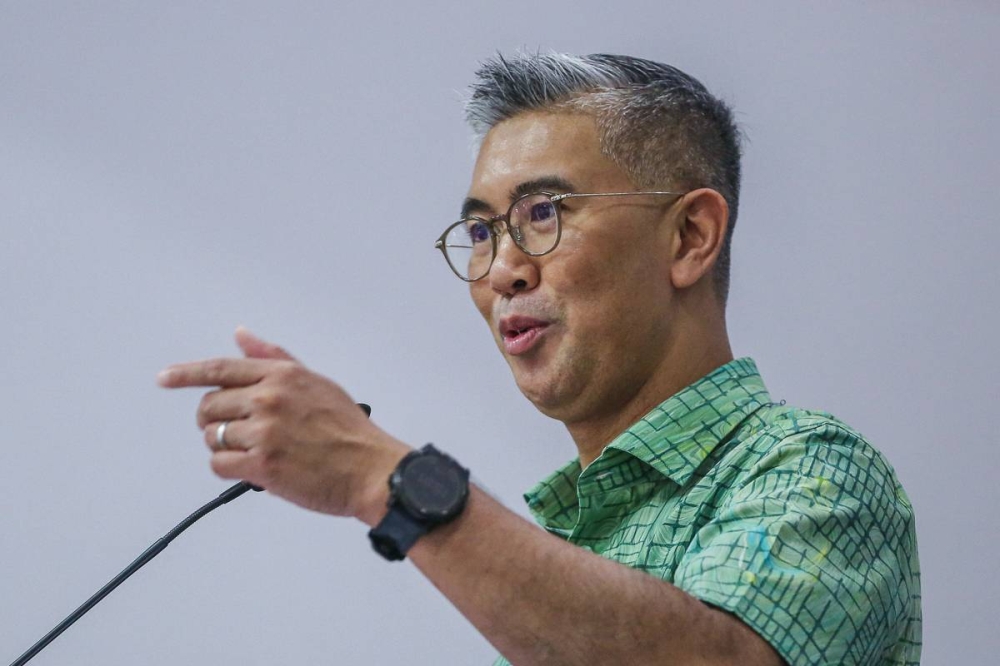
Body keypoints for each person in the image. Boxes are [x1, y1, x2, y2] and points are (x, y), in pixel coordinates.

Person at [158, 53, 921, 665]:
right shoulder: (562, 547)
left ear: (690, 238)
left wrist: (383, 478)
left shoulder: (817, 472)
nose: (501, 272)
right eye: (481, 233)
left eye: (544, 213)